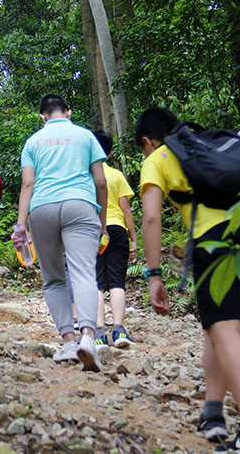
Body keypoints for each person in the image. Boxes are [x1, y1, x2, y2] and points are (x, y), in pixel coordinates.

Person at [135, 107, 240, 454]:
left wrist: (154, 274)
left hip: (216, 239)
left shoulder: (158, 158)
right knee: (217, 325)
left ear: (147, 141)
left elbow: (151, 218)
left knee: (224, 329)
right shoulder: (215, 147)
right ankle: (213, 411)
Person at [12, 94, 108, 372]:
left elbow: (27, 185)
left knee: (54, 279)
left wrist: (21, 224)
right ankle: (88, 337)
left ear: (42, 117)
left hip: (42, 208)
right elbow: (101, 181)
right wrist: (102, 222)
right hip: (80, 205)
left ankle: (68, 342)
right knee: (84, 273)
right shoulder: (86, 136)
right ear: (68, 112)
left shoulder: (32, 142)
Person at [92, 129, 138, 349]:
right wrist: (134, 238)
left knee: (97, 283)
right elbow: (125, 209)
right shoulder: (117, 175)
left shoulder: (86, 175)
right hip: (117, 229)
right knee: (117, 281)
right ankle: (119, 330)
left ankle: (99, 333)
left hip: (93, 229)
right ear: (110, 154)